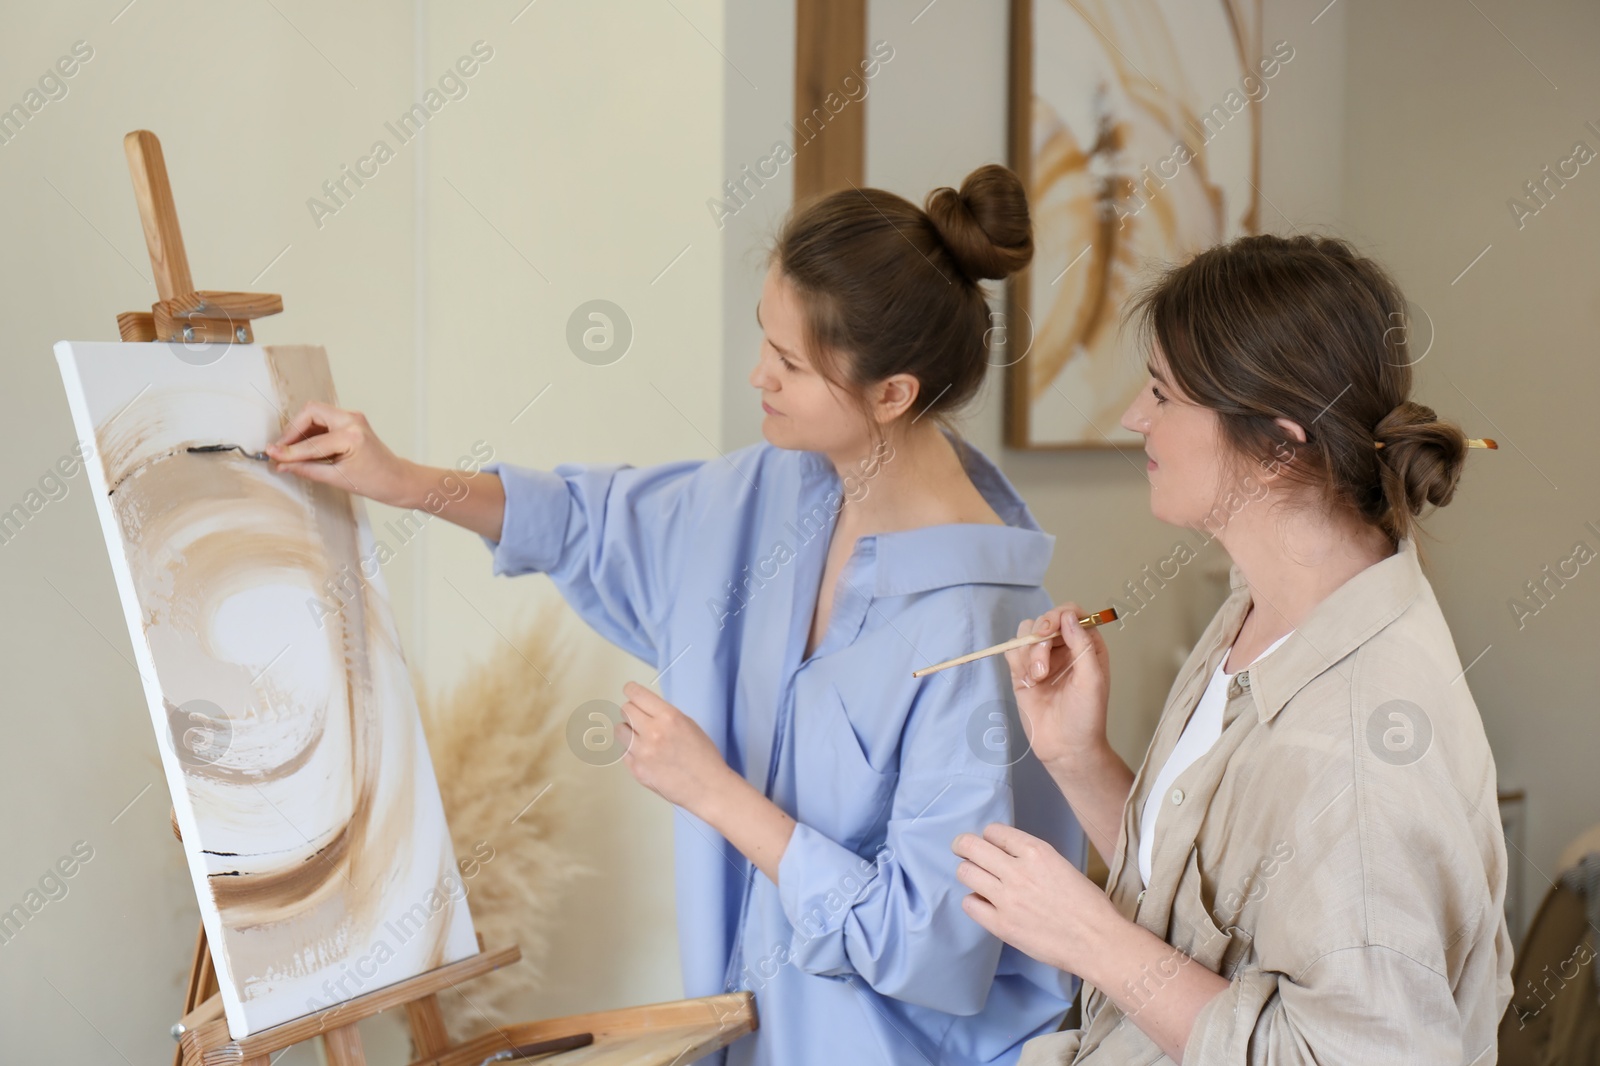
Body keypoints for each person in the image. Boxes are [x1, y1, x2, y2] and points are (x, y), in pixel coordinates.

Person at [266, 164, 1086, 1065]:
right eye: (763, 341)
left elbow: (925, 943)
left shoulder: (984, 631)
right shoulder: (768, 494)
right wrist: (406, 481)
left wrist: (715, 793)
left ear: (892, 394)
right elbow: (589, 523)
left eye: (790, 363)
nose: (757, 375)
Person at [952, 234, 1514, 1064]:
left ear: (1280, 444)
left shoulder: (1359, 753)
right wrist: (1077, 757)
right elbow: (1215, 919)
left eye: (1162, 395)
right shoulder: (1263, 612)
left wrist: (1089, 937)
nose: (1133, 419)